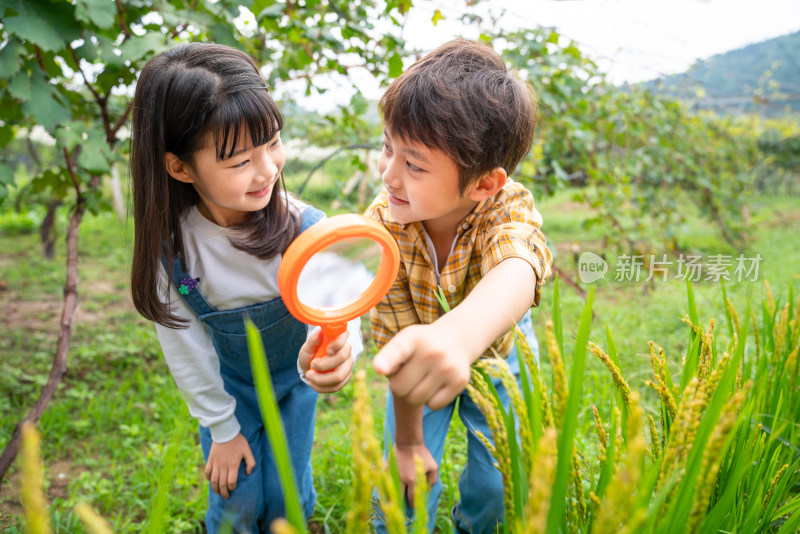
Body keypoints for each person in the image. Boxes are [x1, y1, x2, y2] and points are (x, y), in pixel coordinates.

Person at [129, 42, 360, 533]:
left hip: (294, 385)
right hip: (227, 387)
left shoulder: (302, 228)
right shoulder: (174, 255)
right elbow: (185, 344)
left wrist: (344, 346)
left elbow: (342, 298)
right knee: (236, 502)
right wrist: (221, 428)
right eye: (238, 162)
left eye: (272, 143)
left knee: (287, 499)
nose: (267, 170)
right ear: (180, 167)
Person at [366, 39, 553, 533]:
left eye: (414, 165)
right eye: (388, 148)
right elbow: (403, 355)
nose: (388, 175)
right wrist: (407, 444)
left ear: (484, 184)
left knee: (501, 485)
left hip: (500, 355)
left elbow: (519, 263)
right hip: (418, 367)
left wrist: (456, 336)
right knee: (400, 492)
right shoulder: (384, 228)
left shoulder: (506, 206)